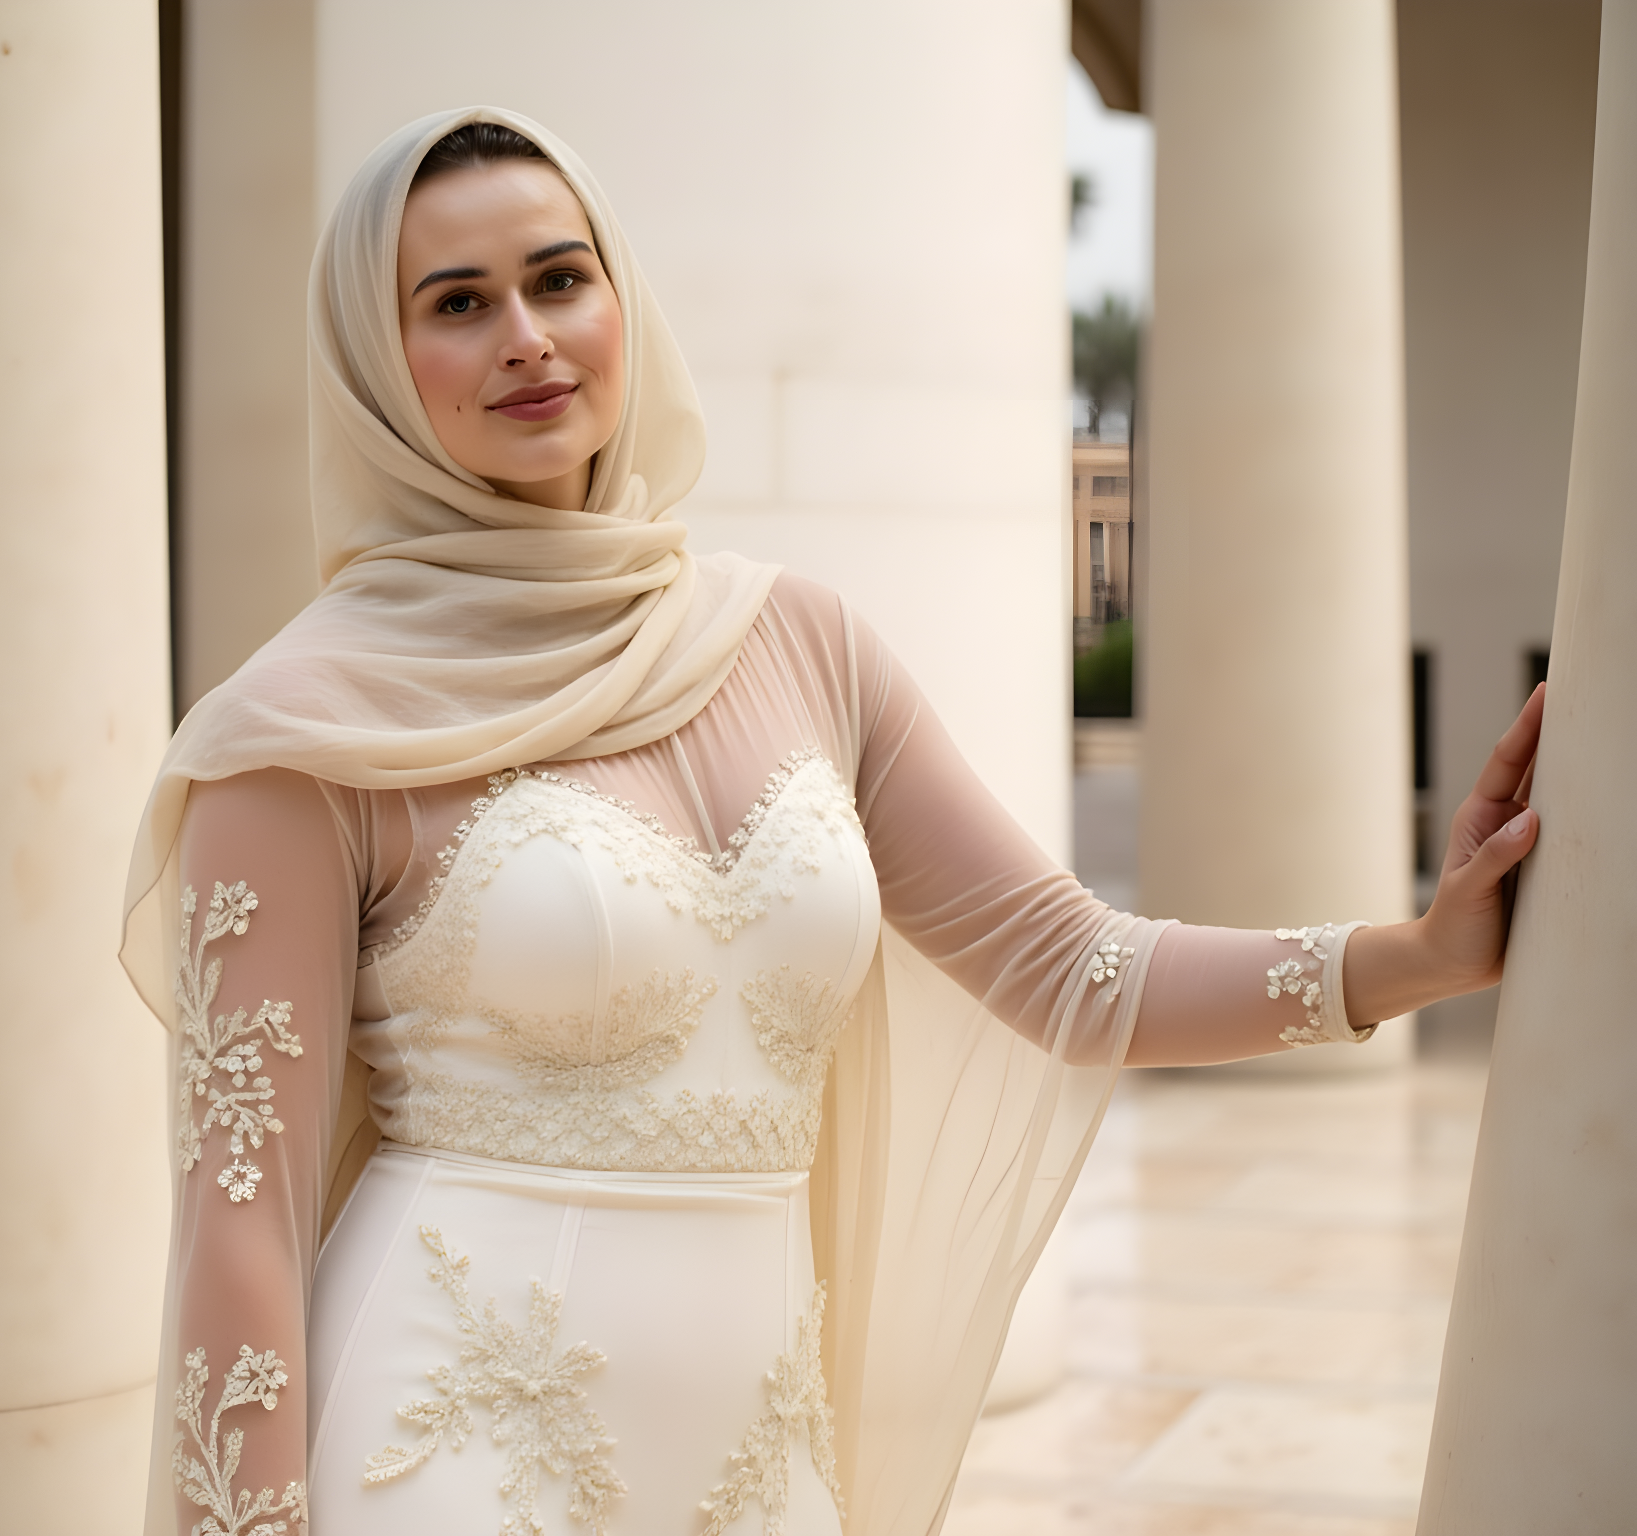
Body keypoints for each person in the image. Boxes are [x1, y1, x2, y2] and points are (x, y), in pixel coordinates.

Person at [119, 108, 1542, 1536]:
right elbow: (242, 1220)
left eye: (560, 279)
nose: (528, 338)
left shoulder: (796, 641)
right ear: (377, 366)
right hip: (443, 1453)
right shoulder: (303, 729)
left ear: (621, 301)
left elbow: (1071, 968)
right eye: (457, 303)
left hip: (759, 1462)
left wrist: (1413, 955)